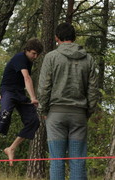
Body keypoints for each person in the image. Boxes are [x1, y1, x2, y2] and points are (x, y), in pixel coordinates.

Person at [38, 23, 98, 180]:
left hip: (55, 115)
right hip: (79, 115)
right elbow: (93, 90)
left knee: (57, 162)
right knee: (78, 162)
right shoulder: (89, 59)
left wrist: (43, 110)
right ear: (75, 38)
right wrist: (88, 111)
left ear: (57, 38)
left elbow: (44, 88)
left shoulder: (51, 57)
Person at [0, 38, 43, 166]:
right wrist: (33, 98)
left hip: (19, 93)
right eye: (34, 53)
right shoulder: (20, 58)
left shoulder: (29, 62)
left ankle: (11, 148)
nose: (36, 56)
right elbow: (27, 78)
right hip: (8, 91)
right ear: (27, 50)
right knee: (5, 113)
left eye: (38, 54)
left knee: (34, 121)